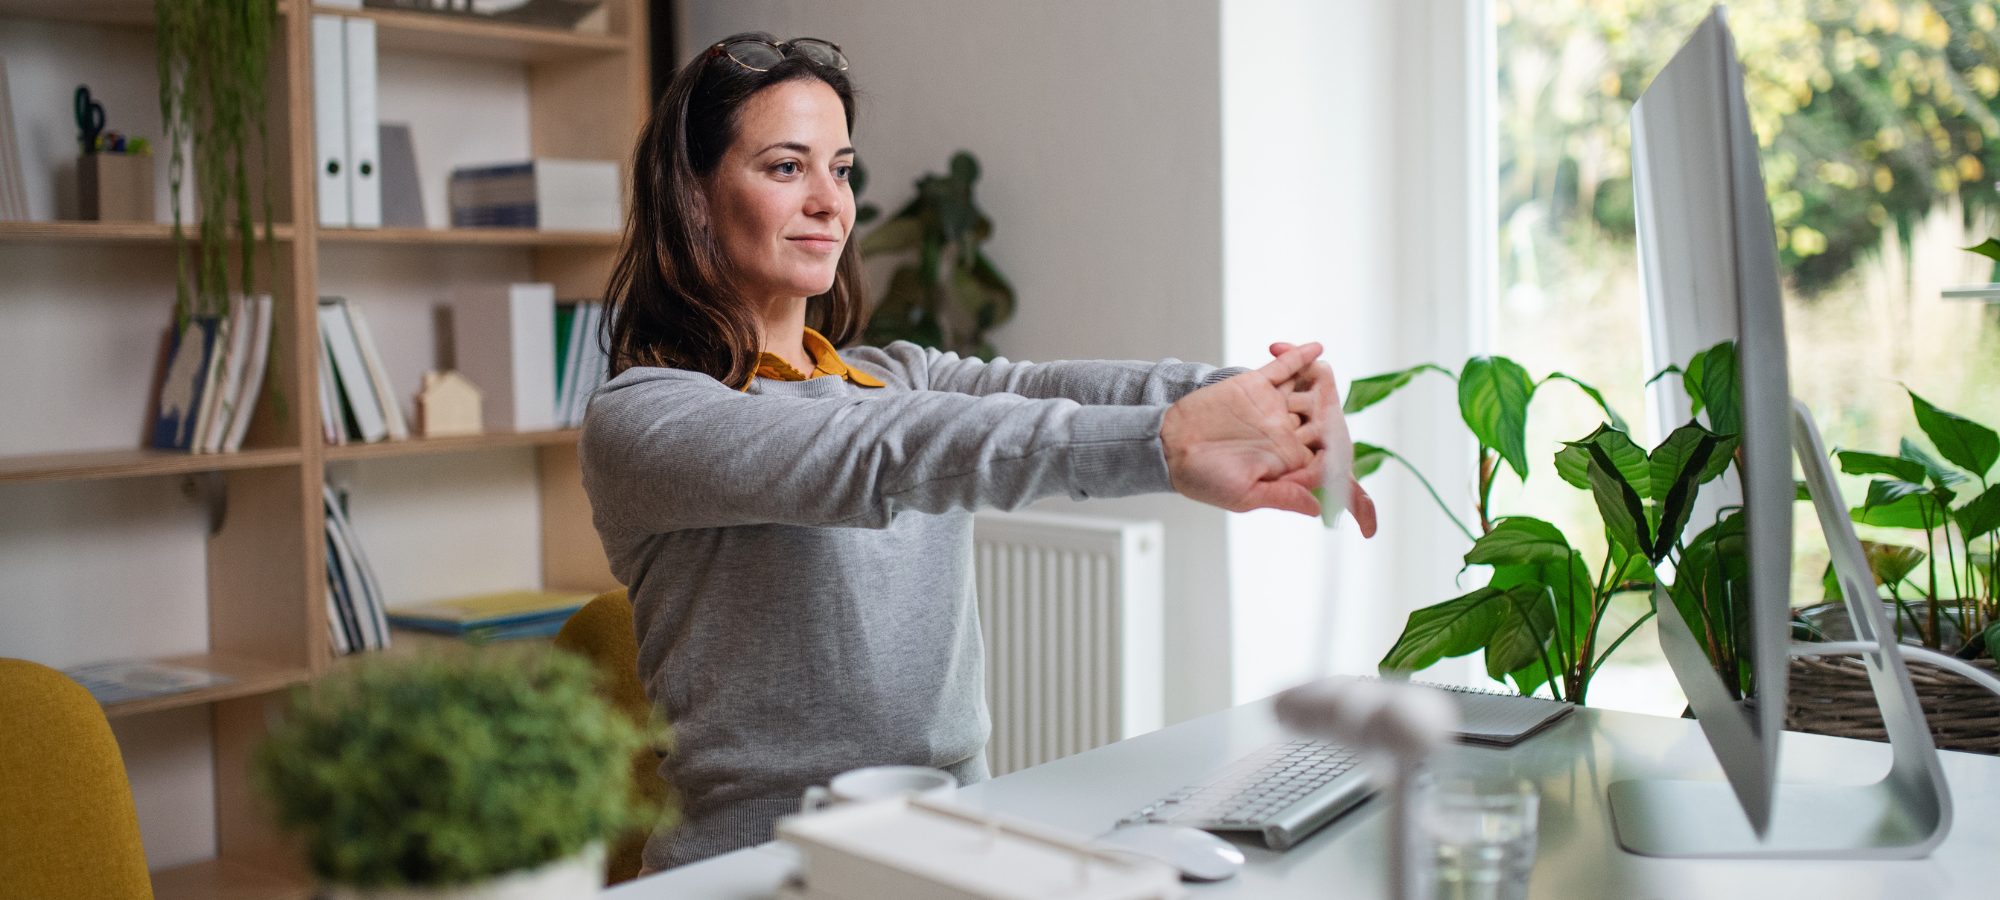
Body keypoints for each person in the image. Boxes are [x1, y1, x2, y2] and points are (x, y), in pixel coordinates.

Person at [580, 33, 1378, 872]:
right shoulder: (647, 418)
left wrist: (1260, 392)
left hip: (955, 839)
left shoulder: (898, 374)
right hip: (756, 866)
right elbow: (879, 455)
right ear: (694, 198)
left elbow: (1044, 389)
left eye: (842, 169)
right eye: (786, 168)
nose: (830, 203)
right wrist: (1167, 443)